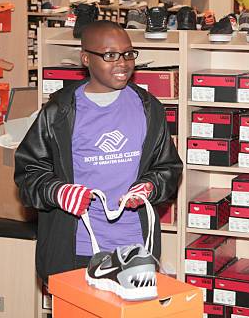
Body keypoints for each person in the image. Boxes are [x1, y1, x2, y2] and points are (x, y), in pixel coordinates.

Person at [15, 20, 182, 283]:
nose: (123, 63)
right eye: (110, 55)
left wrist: (150, 186)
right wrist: (57, 191)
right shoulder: (59, 112)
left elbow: (168, 168)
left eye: (128, 54)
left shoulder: (149, 108)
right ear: (85, 59)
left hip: (135, 247)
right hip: (77, 248)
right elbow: (28, 174)